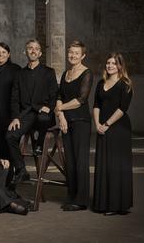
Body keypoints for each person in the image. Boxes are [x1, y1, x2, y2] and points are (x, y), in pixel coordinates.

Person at [6, 39, 58, 186]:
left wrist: (49, 107)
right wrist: (15, 117)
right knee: (10, 135)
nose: (33, 51)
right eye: (30, 48)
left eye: (36, 48)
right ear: (26, 52)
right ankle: (22, 170)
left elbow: (54, 94)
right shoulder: (19, 74)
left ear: (40, 53)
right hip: (26, 114)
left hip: (44, 113)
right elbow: (14, 98)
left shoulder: (49, 72)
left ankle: (39, 144)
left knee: (42, 118)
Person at [92, 53, 134, 215]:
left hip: (119, 128)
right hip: (102, 127)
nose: (110, 66)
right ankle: (103, 203)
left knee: (117, 165)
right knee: (104, 164)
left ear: (120, 66)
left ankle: (117, 205)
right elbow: (96, 105)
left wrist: (107, 124)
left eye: (114, 63)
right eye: (108, 63)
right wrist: (97, 125)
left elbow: (123, 109)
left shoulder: (125, 84)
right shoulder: (100, 83)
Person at [55, 41, 93, 211]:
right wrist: (61, 117)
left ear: (83, 55)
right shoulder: (65, 73)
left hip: (81, 122)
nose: (72, 55)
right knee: (69, 161)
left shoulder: (87, 73)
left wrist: (60, 108)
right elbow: (59, 95)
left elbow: (81, 100)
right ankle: (71, 195)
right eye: (70, 52)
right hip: (66, 122)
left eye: (76, 53)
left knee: (80, 161)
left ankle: (81, 200)